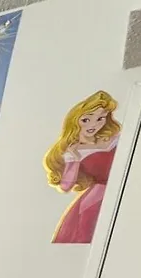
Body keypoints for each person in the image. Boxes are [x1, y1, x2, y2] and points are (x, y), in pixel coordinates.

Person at [43, 91, 121, 244]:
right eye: (86, 120)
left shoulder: (114, 138)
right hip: (97, 198)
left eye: (100, 119)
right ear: (75, 120)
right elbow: (66, 187)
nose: (93, 125)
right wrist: (74, 160)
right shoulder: (74, 151)